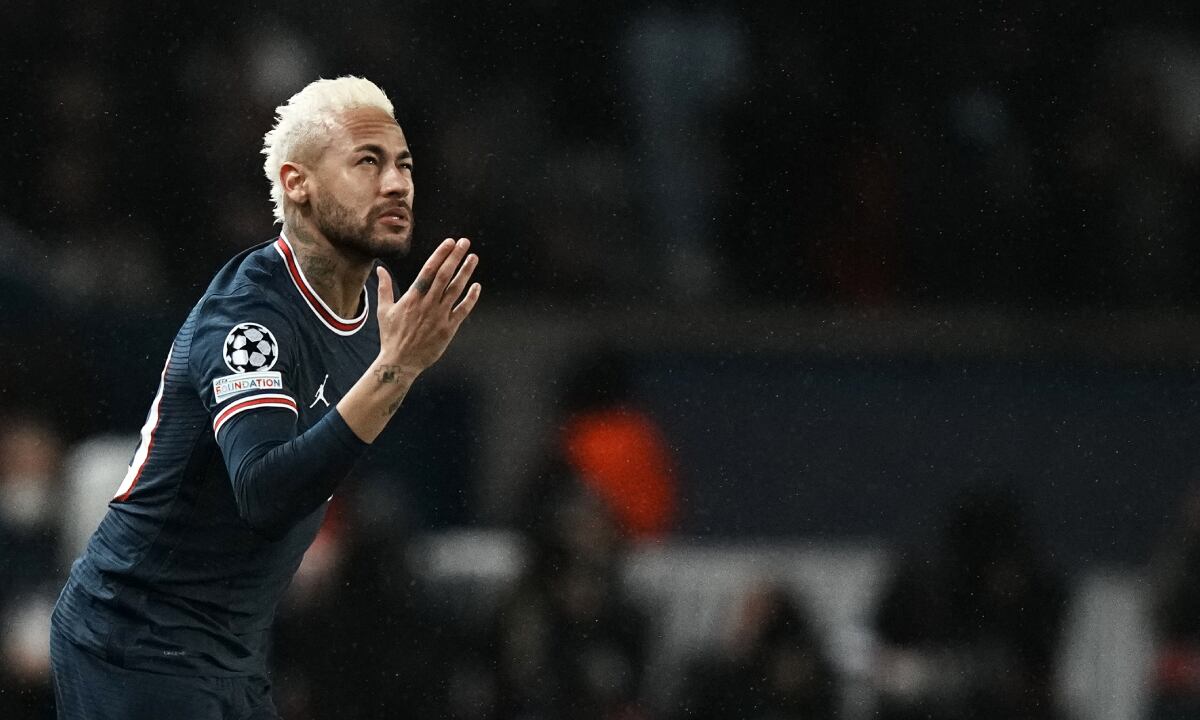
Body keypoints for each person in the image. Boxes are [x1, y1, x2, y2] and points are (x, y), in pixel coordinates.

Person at [49, 76, 482, 720]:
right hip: (137, 642)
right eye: (367, 162)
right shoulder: (249, 315)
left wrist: (394, 365)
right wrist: (396, 372)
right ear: (297, 182)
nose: (396, 183)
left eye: (404, 165)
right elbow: (264, 492)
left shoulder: (373, 317)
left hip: (236, 656)